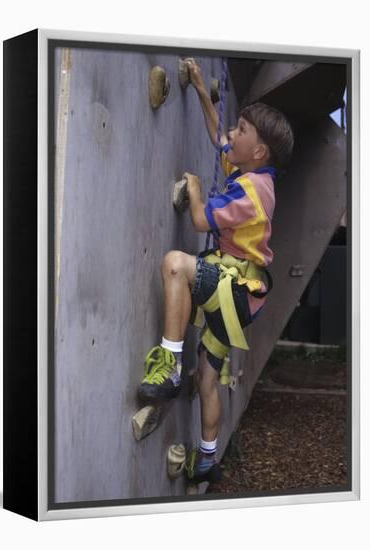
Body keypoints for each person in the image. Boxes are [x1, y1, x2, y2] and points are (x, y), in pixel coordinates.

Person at [138, 58, 294, 483]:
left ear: (259, 150)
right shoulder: (253, 172)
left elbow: (201, 221)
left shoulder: (251, 191)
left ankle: (168, 365)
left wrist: (192, 187)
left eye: (241, 131)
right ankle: (207, 458)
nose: (232, 134)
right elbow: (217, 138)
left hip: (235, 288)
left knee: (175, 265)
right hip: (243, 295)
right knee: (208, 379)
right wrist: (205, 96)